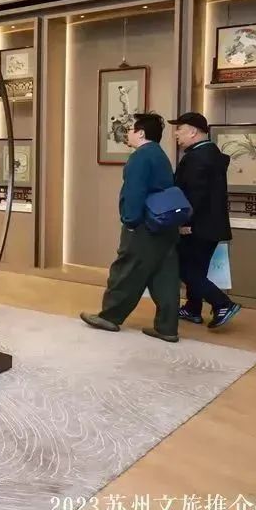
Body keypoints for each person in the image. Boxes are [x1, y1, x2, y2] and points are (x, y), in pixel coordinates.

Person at [81, 112, 182, 342]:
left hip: (144, 225)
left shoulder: (140, 158)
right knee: (165, 276)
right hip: (165, 225)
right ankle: (167, 327)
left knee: (126, 270)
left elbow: (134, 193)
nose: (127, 133)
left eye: (130, 129)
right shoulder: (160, 155)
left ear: (141, 133)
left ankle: (110, 316)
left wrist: (130, 221)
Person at [169, 112, 242, 329]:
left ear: (193, 132)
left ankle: (222, 303)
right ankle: (193, 309)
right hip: (211, 226)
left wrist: (184, 222)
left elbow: (194, 196)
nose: (176, 134)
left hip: (197, 227)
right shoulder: (211, 154)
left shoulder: (197, 158)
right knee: (197, 269)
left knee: (184, 268)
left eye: (179, 129)